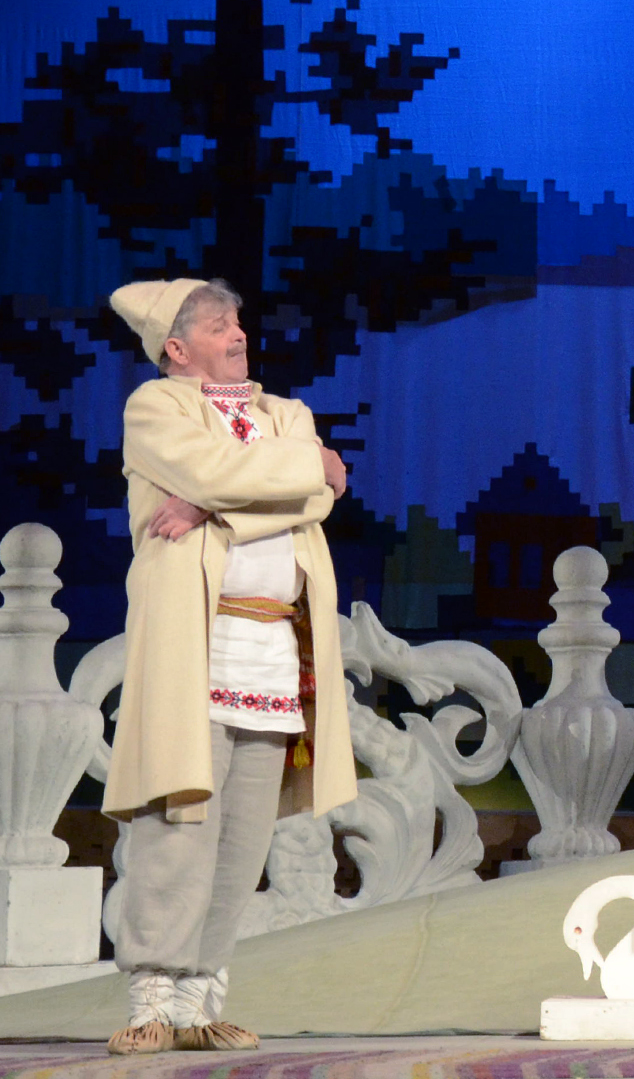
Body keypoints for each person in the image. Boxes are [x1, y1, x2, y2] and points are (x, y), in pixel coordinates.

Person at [101, 278, 357, 1054]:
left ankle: (197, 1004)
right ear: (178, 348)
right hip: (195, 649)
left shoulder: (285, 415)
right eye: (217, 326)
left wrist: (213, 508)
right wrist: (289, 475)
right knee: (179, 826)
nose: (237, 334)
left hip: (273, 654)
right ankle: (151, 1000)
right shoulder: (157, 408)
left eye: (237, 321)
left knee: (243, 839)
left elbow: (323, 494)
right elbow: (268, 474)